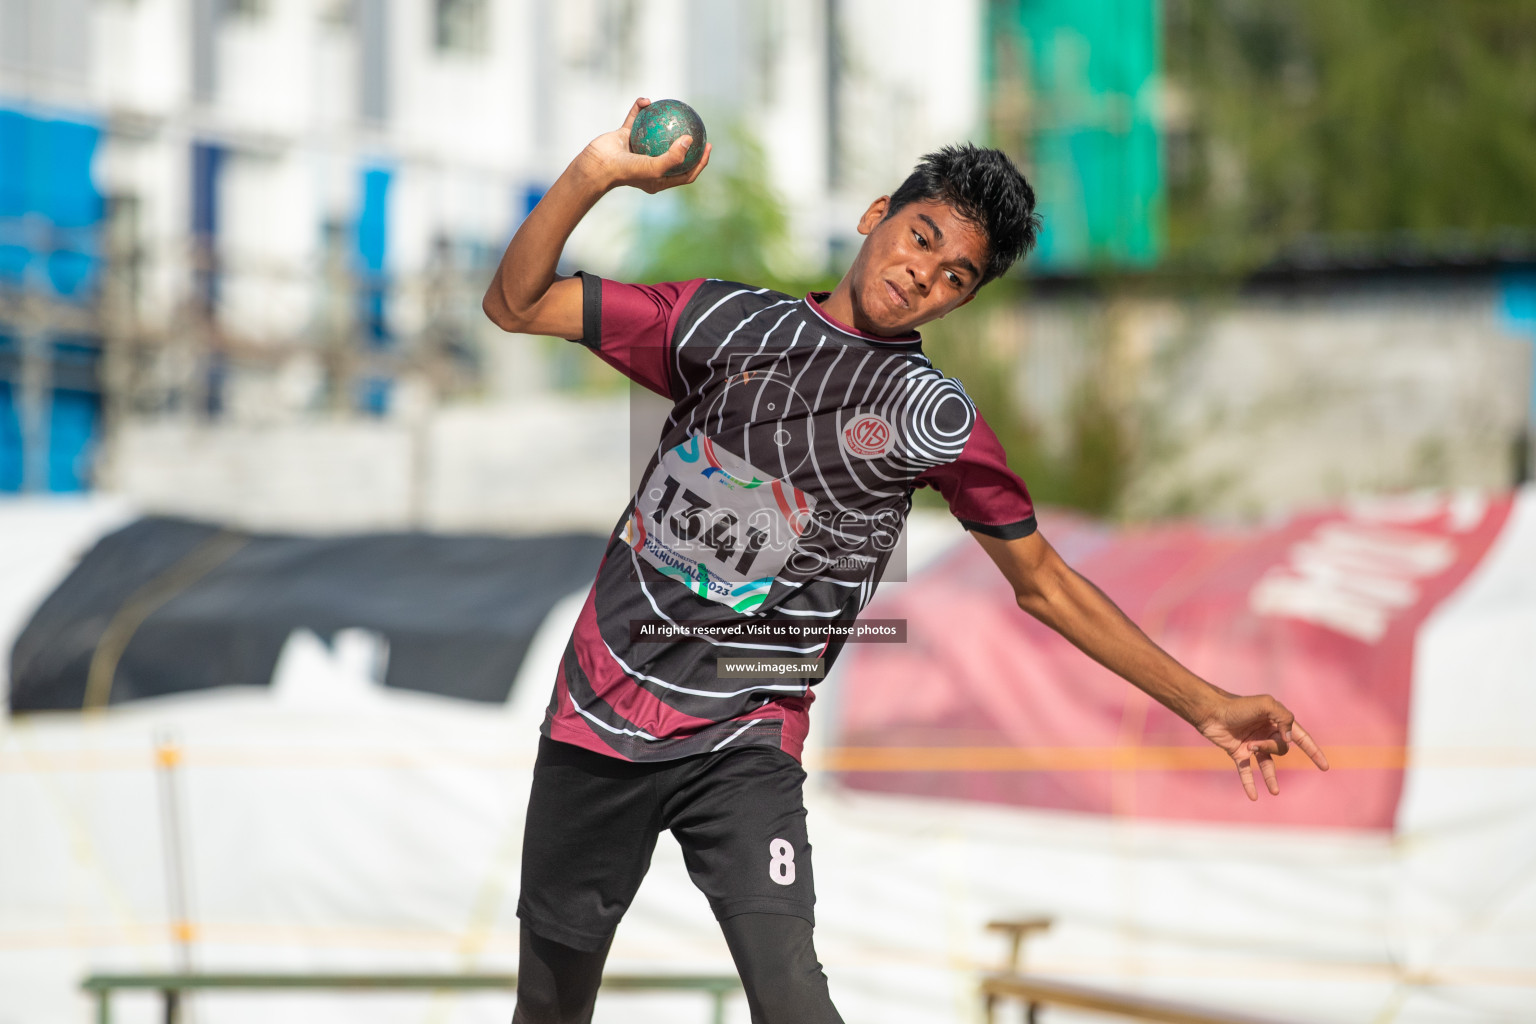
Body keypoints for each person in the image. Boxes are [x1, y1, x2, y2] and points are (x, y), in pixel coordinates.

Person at [482, 99, 1329, 1024]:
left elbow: (1044, 583)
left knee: (795, 1002)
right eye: (920, 237)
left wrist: (1207, 705)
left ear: (964, 300)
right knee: (551, 1008)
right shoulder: (720, 322)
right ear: (874, 214)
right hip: (601, 707)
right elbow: (514, 304)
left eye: (955, 274)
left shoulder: (933, 417)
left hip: (747, 732)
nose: (923, 272)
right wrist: (600, 170)